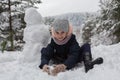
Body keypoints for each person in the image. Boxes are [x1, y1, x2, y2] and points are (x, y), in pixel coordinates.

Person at [39, 19, 103, 75]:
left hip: (72, 60)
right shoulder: (54, 40)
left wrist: (65, 65)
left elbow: (74, 54)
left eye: (62, 32)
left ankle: (88, 63)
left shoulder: (72, 39)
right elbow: (46, 52)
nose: (60, 35)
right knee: (45, 50)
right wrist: (44, 64)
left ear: (67, 32)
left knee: (86, 46)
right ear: (54, 32)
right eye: (57, 33)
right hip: (60, 58)